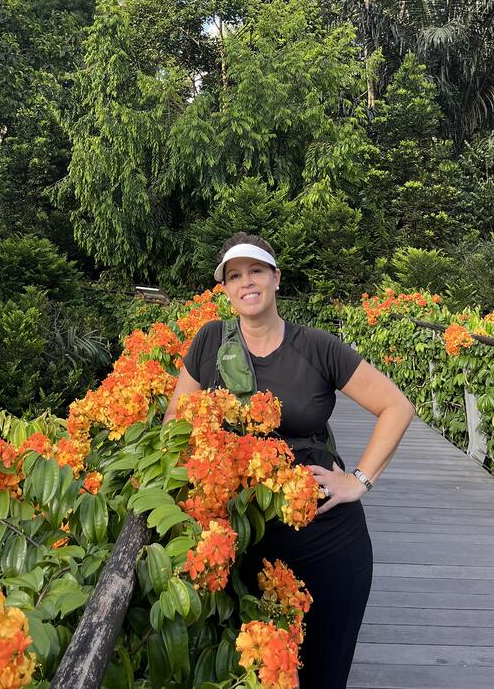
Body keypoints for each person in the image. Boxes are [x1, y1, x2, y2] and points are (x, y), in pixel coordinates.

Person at [164, 232, 415, 689]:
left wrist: (358, 480)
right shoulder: (209, 342)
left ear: (276, 278)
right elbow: (173, 426)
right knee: (256, 671)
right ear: (225, 289)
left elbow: (396, 406)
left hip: (326, 537)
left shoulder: (316, 346)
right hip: (243, 540)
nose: (247, 283)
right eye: (234, 276)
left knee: (323, 670)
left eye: (256, 271)